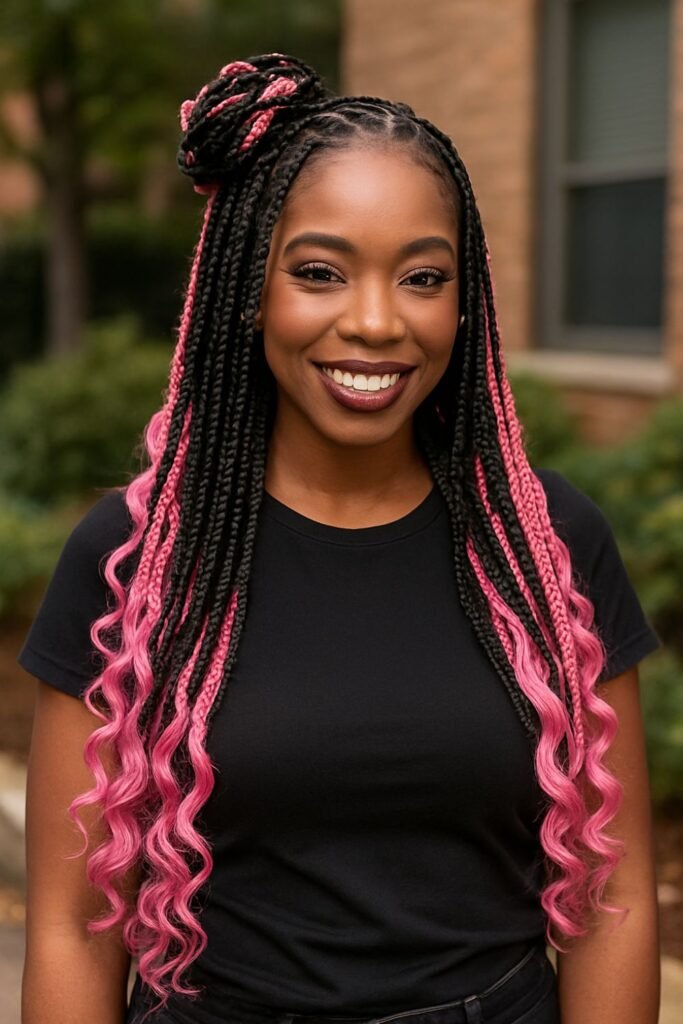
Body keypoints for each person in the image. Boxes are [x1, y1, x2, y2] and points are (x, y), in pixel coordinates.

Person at [17, 54, 662, 1024]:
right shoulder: (135, 566)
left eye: (421, 277)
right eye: (318, 272)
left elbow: (610, 900)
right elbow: (73, 925)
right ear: (249, 286)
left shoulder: (546, 547)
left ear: (463, 299)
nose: (374, 322)